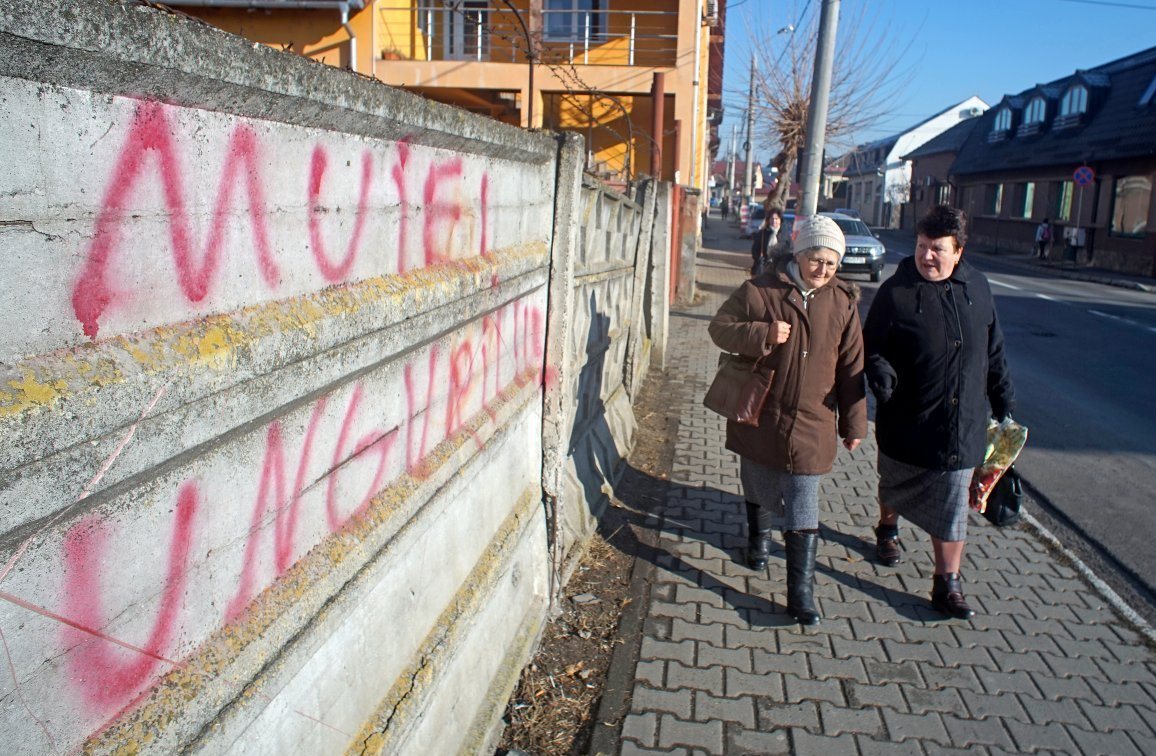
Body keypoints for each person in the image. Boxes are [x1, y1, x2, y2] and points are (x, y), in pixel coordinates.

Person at [709, 215, 867, 625]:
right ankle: (758, 540)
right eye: (817, 260)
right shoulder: (760, 290)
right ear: (799, 254)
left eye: (832, 264)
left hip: (814, 421)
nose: (824, 270)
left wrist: (853, 424)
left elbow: (852, 368)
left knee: (803, 504)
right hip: (761, 412)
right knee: (758, 483)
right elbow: (719, 329)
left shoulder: (843, 303)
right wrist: (761, 333)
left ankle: (800, 595)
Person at [863, 205, 1016, 620]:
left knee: (952, 504)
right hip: (907, 420)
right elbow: (871, 345)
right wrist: (880, 373)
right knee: (894, 482)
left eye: (937, 249)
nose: (927, 256)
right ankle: (887, 526)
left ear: (959, 251)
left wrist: (1004, 401)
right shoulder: (895, 293)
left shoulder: (979, 288)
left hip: (961, 425)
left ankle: (947, 583)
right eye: (921, 247)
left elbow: (994, 349)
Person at [749, 207, 790, 276]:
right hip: (763, 268)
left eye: (776, 219)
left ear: (780, 220)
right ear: (768, 220)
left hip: (779, 270)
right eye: (772, 219)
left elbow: (789, 251)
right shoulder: (762, 233)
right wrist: (759, 260)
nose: (774, 221)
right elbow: (754, 250)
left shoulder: (785, 235)